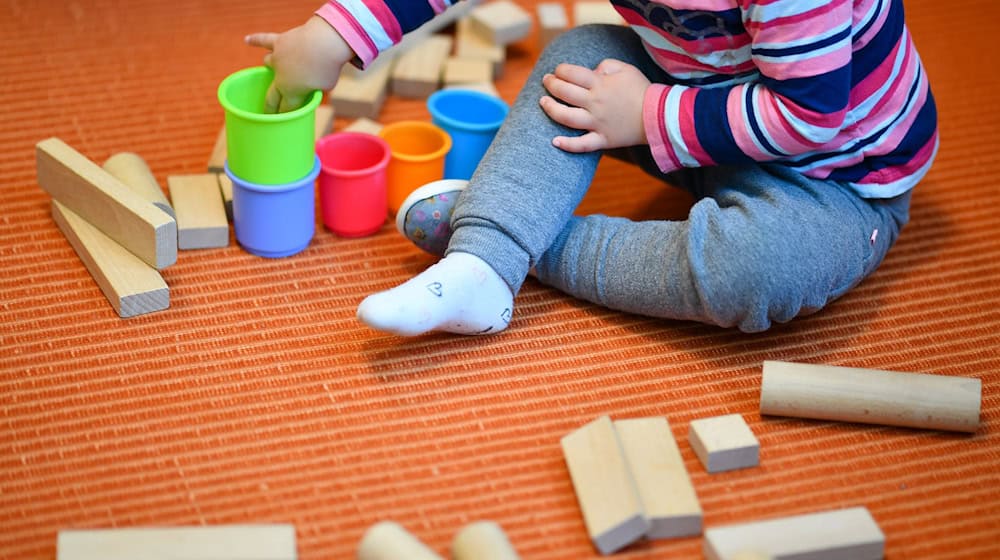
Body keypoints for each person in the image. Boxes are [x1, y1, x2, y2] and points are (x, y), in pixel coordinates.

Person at [247, 0, 938, 336]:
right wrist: (337, 33)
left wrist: (647, 116)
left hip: (835, 179)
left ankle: (517, 240)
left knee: (756, 271)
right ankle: (483, 266)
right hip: (691, 97)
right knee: (578, 55)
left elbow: (812, 113)